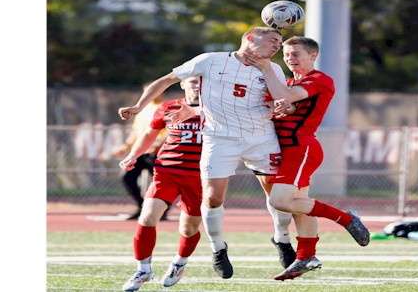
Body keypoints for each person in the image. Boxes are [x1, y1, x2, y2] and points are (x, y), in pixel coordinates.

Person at [117, 27, 296, 279]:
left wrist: (268, 72)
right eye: (273, 40)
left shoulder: (273, 68)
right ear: (250, 38)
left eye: (280, 42)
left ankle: (282, 238)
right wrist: (138, 106)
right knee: (212, 199)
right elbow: (165, 80)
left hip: (260, 137)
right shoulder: (211, 60)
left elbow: (284, 100)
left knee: (277, 195)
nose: (277, 45)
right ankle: (218, 248)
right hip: (220, 139)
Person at [244, 36, 371, 280]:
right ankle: (306, 256)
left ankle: (346, 218)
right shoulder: (288, 81)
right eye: (286, 54)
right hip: (285, 150)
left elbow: (287, 96)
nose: (289, 58)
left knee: (280, 201)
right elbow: (274, 102)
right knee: (300, 206)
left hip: (300, 148)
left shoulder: (320, 79)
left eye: (295, 54)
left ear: (313, 55)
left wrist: (267, 69)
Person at [118, 76, 203, 291]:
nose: (197, 85)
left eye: (202, 81)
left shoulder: (218, 109)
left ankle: (179, 263)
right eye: (193, 81)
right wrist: (133, 156)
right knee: (147, 217)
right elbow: (149, 133)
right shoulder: (168, 107)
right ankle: (143, 270)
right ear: (182, 84)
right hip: (167, 171)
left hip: (201, 176)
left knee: (189, 227)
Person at [112, 91, 170, 220]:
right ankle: (142, 207)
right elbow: (136, 131)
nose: (151, 94)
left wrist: (160, 144)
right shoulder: (143, 110)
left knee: (161, 183)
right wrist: (126, 146)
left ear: (162, 92)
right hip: (140, 152)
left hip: (157, 153)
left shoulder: (166, 108)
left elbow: (171, 130)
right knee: (127, 177)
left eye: (155, 91)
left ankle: (162, 211)